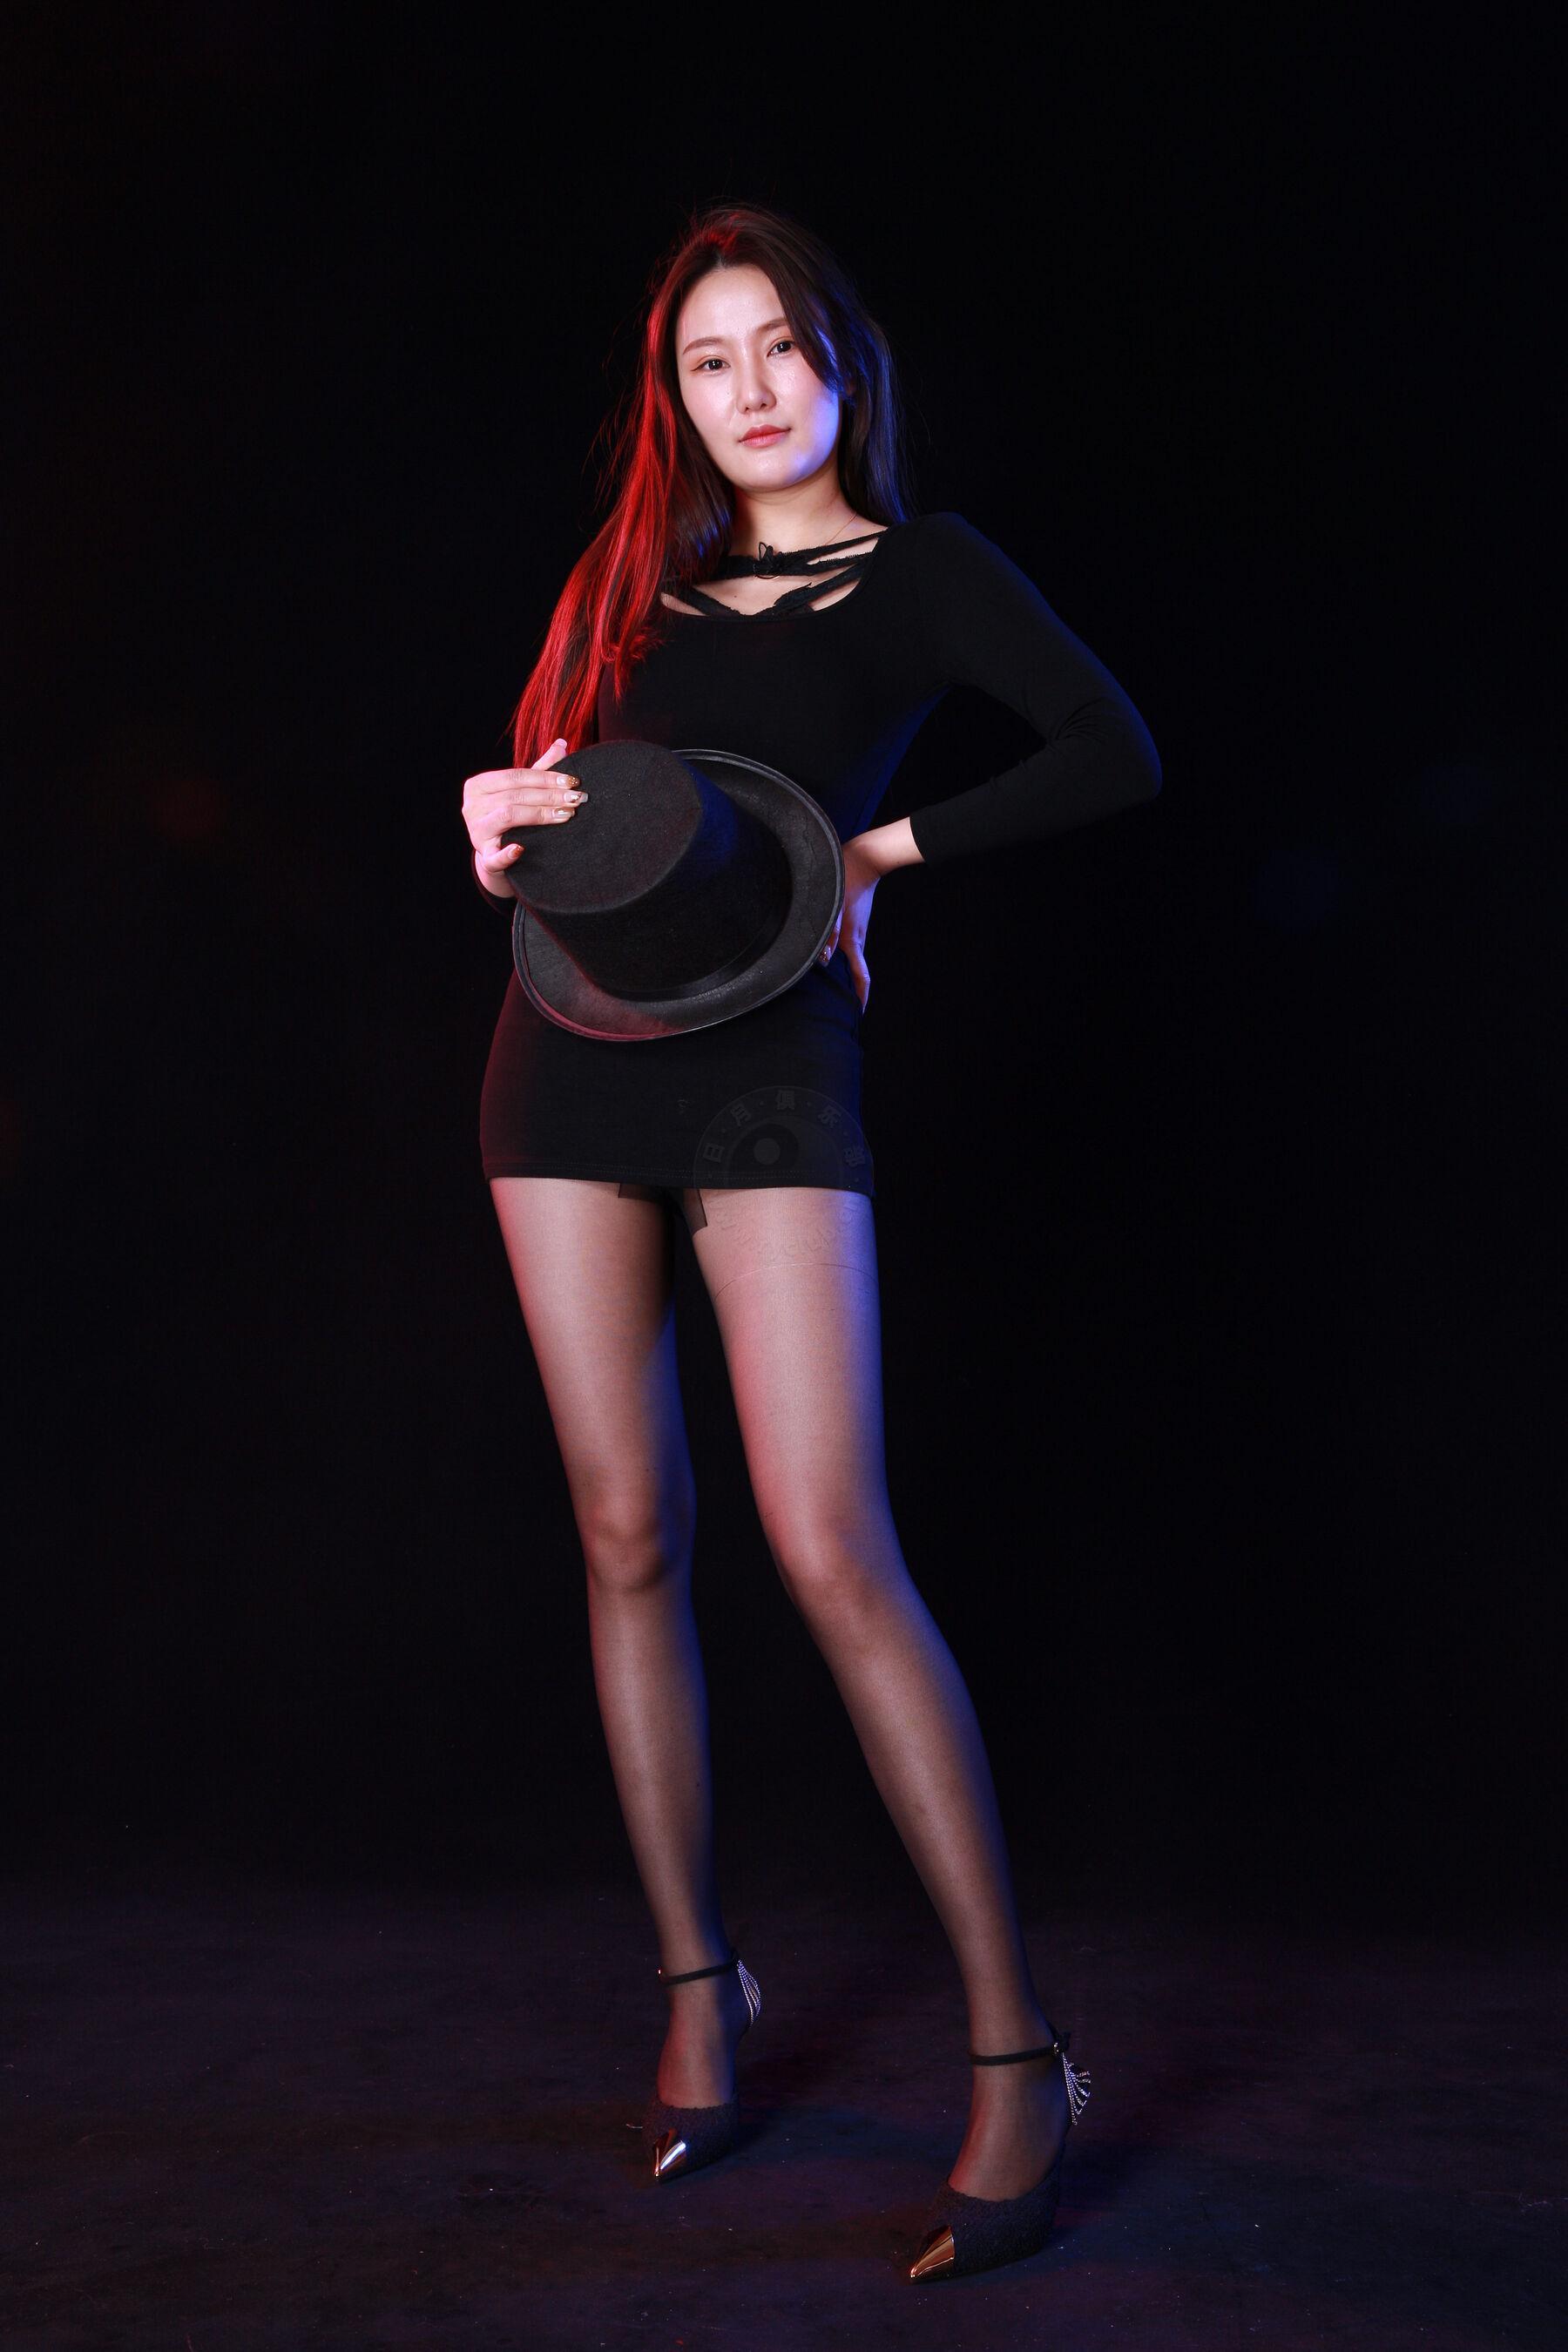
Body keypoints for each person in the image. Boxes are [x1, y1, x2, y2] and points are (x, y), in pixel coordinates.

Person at [460, 201, 1159, 2283]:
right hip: (563, 1059)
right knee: (622, 1527)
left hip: (772, 1065)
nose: (751, 390)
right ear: (672, 400)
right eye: (709, 361)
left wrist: (878, 848)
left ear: (843, 361)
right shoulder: (630, 585)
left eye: (780, 346)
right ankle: (701, 1987)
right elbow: (554, 813)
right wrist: (495, 824)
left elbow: (1115, 747)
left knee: (829, 1538)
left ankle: (1018, 2052)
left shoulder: (923, 573)